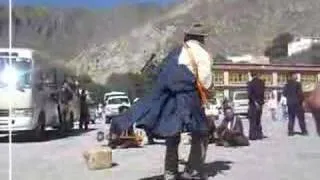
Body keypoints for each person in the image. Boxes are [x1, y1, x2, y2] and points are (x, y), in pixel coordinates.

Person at [109, 23, 213, 180]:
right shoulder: (202, 54)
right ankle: (191, 171)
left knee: (172, 134)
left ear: (187, 36)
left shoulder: (175, 52)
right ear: (202, 38)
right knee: (201, 132)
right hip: (189, 97)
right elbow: (205, 81)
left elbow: (161, 74)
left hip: (169, 96)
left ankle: (170, 172)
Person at [247, 72, 265, 140]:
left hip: (253, 104)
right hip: (260, 104)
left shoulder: (250, 83)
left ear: (252, 76)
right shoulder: (262, 83)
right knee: (258, 120)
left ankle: (252, 135)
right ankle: (259, 135)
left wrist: (255, 102)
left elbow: (250, 95)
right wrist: (260, 103)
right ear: (257, 75)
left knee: (252, 120)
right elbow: (262, 94)